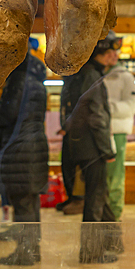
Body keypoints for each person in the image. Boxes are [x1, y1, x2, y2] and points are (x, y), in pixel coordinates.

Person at [0, 51, 50, 266]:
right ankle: (32, 248)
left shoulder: (18, 81)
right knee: (30, 202)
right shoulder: (35, 82)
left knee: (22, 203)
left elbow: (8, 114)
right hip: (33, 146)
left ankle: (25, 252)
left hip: (20, 149)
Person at [64, 35, 122, 263]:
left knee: (101, 195)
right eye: (113, 52)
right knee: (95, 201)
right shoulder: (92, 75)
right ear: (105, 53)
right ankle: (90, 253)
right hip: (92, 148)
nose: (115, 56)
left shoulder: (85, 73)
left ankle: (113, 242)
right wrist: (107, 151)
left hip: (83, 145)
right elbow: (97, 117)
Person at [104, 35, 135, 223]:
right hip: (100, 132)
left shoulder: (126, 77)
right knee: (102, 178)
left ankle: (115, 215)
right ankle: (104, 214)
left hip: (117, 132)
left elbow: (133, 104)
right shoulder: (97, 75)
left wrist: (108, 109)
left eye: (114, 52)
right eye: (108, 52)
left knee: (116, 177)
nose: (111, 56)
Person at [56, 72, 83, 215]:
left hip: (76, 131)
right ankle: (71, 197)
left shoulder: (77, 79)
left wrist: (67, 126)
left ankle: (78, 199)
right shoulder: (68, 81)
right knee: (66, 165)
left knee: (75, 165)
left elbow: (76, 106)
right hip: (69, 130)